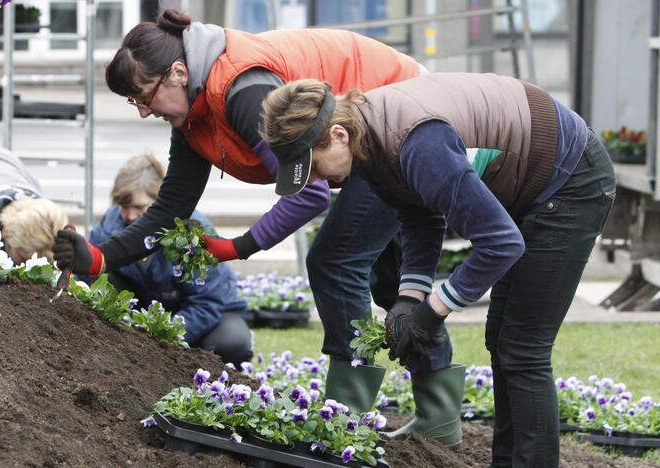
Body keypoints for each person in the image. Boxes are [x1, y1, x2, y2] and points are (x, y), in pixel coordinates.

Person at [53, 8, 430, 414]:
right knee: (392, 284)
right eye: (134, 102)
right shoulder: (194, 114)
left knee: (335, 263)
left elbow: (308, 193)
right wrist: (98, 256)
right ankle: (436, 419)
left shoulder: (242, 90)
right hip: (371, 126)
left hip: (400, 112)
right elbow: (170, 209)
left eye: (145, 96)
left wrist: (236, 247)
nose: (144, 111)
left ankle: (347, 416)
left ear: (178, 72)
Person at [259, 75, 615, 466]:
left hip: (569, 181)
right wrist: (410, 298)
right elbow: (421, 214)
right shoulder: (370, 145)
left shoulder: (416, 142)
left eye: (312, 167)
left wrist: (433, 311)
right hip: (532, 185)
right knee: (502, 339)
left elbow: (501, 244)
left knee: (523, 348)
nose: (314, 180)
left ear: (339, 134)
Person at [86, 153, 253, 366]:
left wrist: (162, 338)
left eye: (139, 208)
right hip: (148, 312)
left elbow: (207, 303)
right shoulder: (109, 227)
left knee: (232, 343)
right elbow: (89, 280)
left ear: (161, 201)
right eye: (123, 206)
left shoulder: (193, 231)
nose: (128, 215)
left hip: (208, 313)